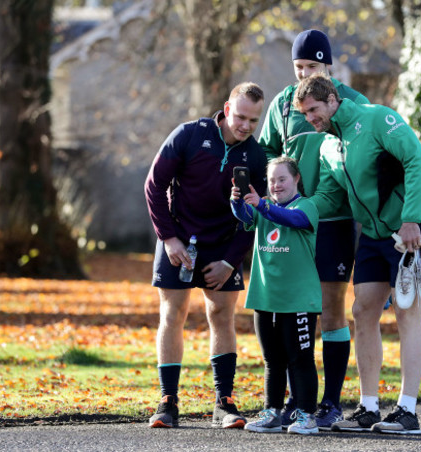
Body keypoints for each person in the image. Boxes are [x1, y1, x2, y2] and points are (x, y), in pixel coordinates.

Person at [294, 74, 421, 435]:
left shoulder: (376, 119)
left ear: (331, 99)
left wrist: (409, 219)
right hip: (375, 237)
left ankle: (407, 410)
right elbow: (330, 198)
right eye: (305, 114)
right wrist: (287, 209)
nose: (311, 118)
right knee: (362, 311)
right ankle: (369, 407)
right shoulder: (328, 148)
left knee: (407, 311)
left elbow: (415, 160)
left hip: (414, 226)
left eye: (314, 110)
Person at [258, 28, 369, 429]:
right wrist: (279, 184)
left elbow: (365, 148)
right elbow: (267, 150)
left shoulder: (350, 101)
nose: (303, 74)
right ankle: (297, 400)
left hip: (334, 220)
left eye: (311, 66)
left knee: (331, 308)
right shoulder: (283, 104)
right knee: (292, 310)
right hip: (292, 222)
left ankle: (331, 403)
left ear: (327, 67)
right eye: (298, 67)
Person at [144, 82, 267, 429]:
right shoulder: (188, 135)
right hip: (179, 238)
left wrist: (230, 261)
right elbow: (154, 186)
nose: (245, 126)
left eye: (253, 121)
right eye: (241, 116)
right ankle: (167, 401)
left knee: (222, 316)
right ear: (227, 109)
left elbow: (253, 215)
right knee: (172, 313)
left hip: (223, 245)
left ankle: (223, 402)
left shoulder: (255, 156)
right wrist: (169, 238)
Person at [230, 157, 321, 435]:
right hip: (265, 297)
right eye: (271, 180)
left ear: (296, 179)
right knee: (272, 359)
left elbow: (291, 219)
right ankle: (273, 413)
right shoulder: (262, 207)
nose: (276, 185)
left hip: (298, 300)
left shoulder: (307, 206)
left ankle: (307, 416)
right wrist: (236, 201)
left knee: (300, 358)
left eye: (282, 179)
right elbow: (244, 216)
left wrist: (261, 204)